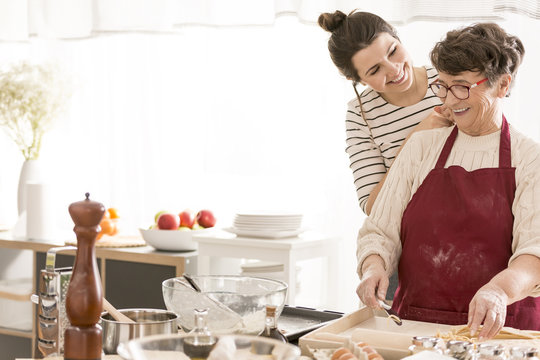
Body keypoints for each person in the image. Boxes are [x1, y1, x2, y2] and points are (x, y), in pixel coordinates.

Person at [356, 22, 540, 339]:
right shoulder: (420, 147)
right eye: (442, 86)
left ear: (502, 85)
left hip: (501, 334)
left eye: (462, 86)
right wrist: (374, 268)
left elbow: (533, 254)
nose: (451, 100)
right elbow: (380, 231)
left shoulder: (530, 158)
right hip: (416, 329)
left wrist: (498, 290)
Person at [318, 10, 452, 215]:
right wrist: (413, 141)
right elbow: (372, 206)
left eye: (392, 51)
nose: (394, 70)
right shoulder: (360, 115)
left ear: (398, 38)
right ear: (358, 80)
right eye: (374, 70)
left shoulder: (448, 77)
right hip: (417, 230)